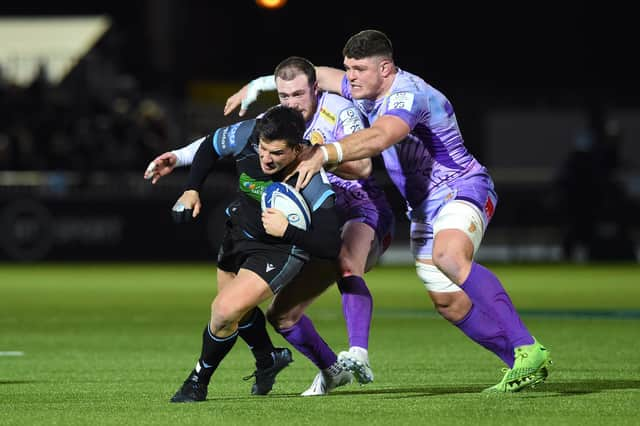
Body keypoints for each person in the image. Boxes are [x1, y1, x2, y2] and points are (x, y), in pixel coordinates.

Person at [225, 30, 552, 393]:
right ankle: (522, 367)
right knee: (449, 304)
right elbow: (311, 74)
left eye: (358, 69)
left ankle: (527, 346)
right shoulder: (362, 85)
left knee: (449, 256)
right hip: (424, 209)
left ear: (385, 68)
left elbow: (381, 136)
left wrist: (325, 152)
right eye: (348, 68)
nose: (349, 77)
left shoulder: (407, 95)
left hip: (461, 188)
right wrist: (255, 86)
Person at [146, 56, 395, 395]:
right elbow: (217, 141)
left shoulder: (337, 113)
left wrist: (319, 155)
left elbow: (364, 167)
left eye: (297, 95)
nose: (291, 103)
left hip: (349, 206)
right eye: (283, 96)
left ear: (315, 90)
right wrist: (179, 159)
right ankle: (279, 359)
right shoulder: (272, 125)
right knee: (279, 315)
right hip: (260, 225)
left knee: (345, 263)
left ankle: (358, 352)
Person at [166, 105, 343, 402]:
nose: (265, 158)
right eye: (262, 149)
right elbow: (210, 145)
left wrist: (287, 231)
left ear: (298, 149)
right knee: (238, 311)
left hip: (280, 249)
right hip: (239, 233)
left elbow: (330, 245)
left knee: (223, 313)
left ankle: (197, 382)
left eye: (276, 153)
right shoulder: (247, 132)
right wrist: (192, 188)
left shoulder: (312, 179)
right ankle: (267, 358)